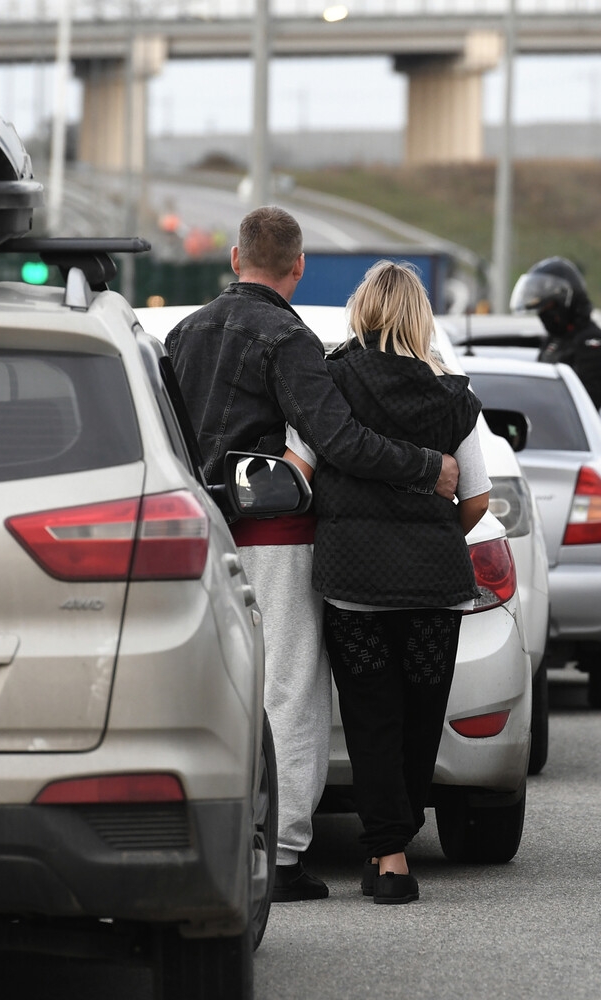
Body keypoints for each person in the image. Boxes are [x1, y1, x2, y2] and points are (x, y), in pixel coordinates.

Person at [165, 208, 460, 903]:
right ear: (296, 268)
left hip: (193, 536)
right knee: (288, 691)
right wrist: (427, 466)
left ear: (235, 257)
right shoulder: (288, 337)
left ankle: (210, 835)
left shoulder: (181, 333)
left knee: (211, 687)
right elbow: (340, 440)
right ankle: (284, 852)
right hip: (276, 540)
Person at [281, 260, 490, 905]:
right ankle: (394, 844)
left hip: (355, 583)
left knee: (371, 716)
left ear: (363, 311)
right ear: (420, 317)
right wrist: (430, 530)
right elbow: (477, 498)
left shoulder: (330, 383)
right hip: (435, 584)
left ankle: (389, 856)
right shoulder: (454, 395)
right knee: (421, 718)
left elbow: (300, 471)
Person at [513, 256, 601, 408]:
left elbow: (586, 402)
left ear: (564, 303)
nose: (543, 314)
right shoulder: (555, 340)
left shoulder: (592, 342)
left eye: (548, 307)